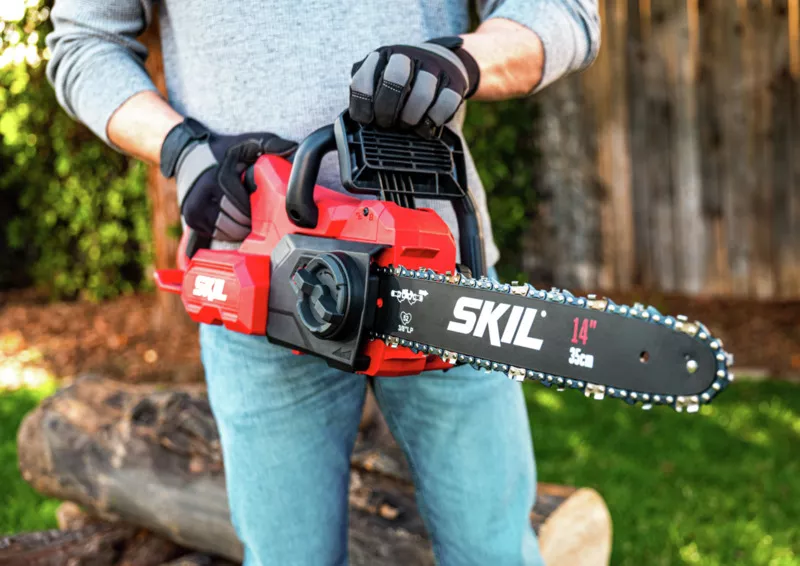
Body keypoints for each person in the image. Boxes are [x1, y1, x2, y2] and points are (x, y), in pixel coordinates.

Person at [47, 2, 600, 564]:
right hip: (260, 275)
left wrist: (463, 60)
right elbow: (84, 43)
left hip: (441, 280)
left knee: (496, 553)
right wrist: (182, 150)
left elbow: (563, 13)